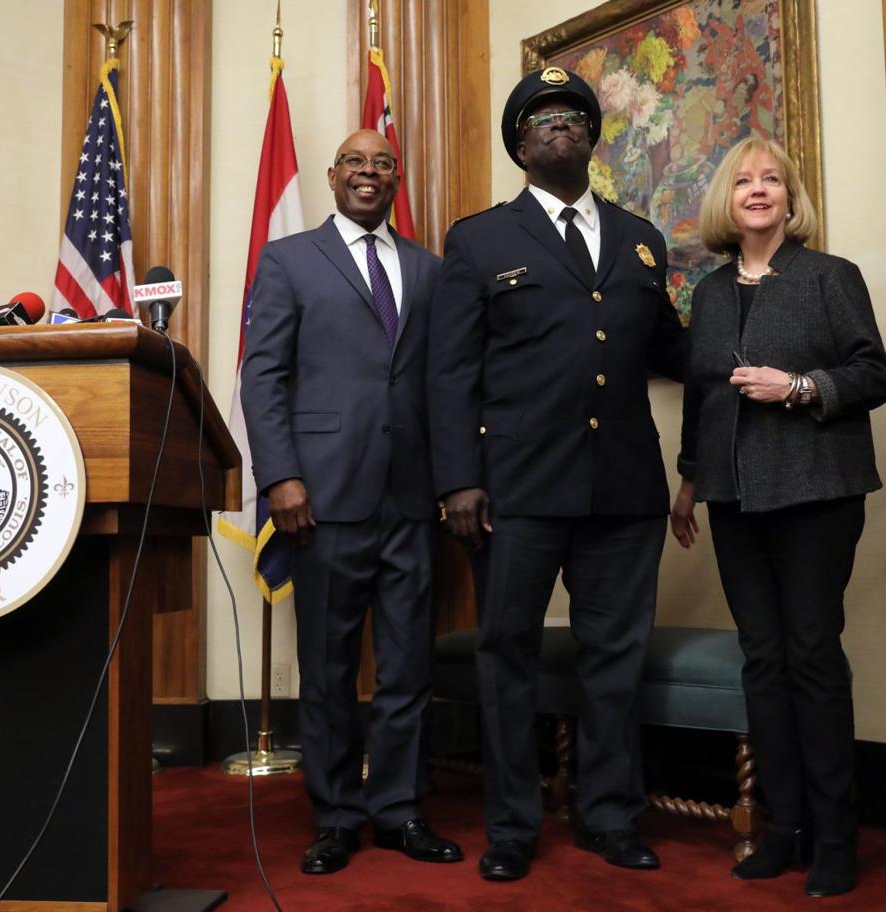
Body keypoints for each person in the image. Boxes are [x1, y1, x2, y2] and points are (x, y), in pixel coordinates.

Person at [428, 67, 685, 881]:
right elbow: (449, 371)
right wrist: (457, 481)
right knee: (509, 658)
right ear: (520, 143)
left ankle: (610, 816)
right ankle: (512, 827)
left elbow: (672, 350)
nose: (559, 123)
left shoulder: (641, 238)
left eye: (573, 113)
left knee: (615, 658)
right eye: (541, 116)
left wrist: (756, 320)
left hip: (623, 489)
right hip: (515, 491)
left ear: (591, 136)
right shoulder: (479, 239)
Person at [670, 136, 886, 898]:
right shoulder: (708, 294)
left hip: (816, 493)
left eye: (771, 179)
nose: (758, 189)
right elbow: (702, 398)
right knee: (762, 661)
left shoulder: (831, 276)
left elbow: (873, 373)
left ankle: (836, 839)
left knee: (812, 656)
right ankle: (784, 829)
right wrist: (689, 481)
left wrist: (797, 386)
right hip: (733, 498)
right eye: (744, 181)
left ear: (791, 199)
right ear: (727, 202)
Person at [241, 129, 462, 875]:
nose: (370, 173)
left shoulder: (430, 270)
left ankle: (399, 810)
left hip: (412, 499)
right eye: (356, 163)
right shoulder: (289, 259)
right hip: (322, 497)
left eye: (383, 164)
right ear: (334, 177)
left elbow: (442, 382)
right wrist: (280, 477)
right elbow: (263, 376)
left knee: (407, 667)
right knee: (330, 669)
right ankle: (335, 814)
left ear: (397, 180)